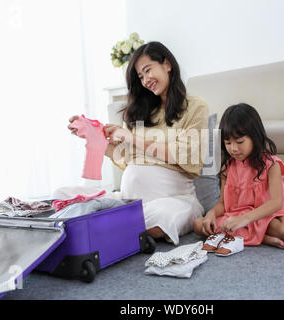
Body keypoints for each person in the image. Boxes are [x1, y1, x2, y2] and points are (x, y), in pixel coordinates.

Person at [68, 41, 209, 245]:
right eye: (140, 77)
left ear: (167, 64)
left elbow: (189, 157)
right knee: (62, 195)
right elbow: (125, 160)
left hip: (175, 199)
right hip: (130, 200)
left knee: (162, 219)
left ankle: (101, 224)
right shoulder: (139, 112)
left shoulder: (195, 106)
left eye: (147, 70)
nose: (145, 81)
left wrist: (131, 137)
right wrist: (93, 138)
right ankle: (119, 223)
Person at [193, 103, 284, 256]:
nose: (233, 148)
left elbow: (275, 203)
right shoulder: (228, 167)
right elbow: (223, 204)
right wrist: (212, 213)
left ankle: (245, 235)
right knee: (199, 225)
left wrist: (244, 220)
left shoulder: (272, 165)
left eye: (239, 142)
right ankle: (262, 238)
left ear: (255, 137)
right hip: (236, 219)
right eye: (228, 143)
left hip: (265, 218)